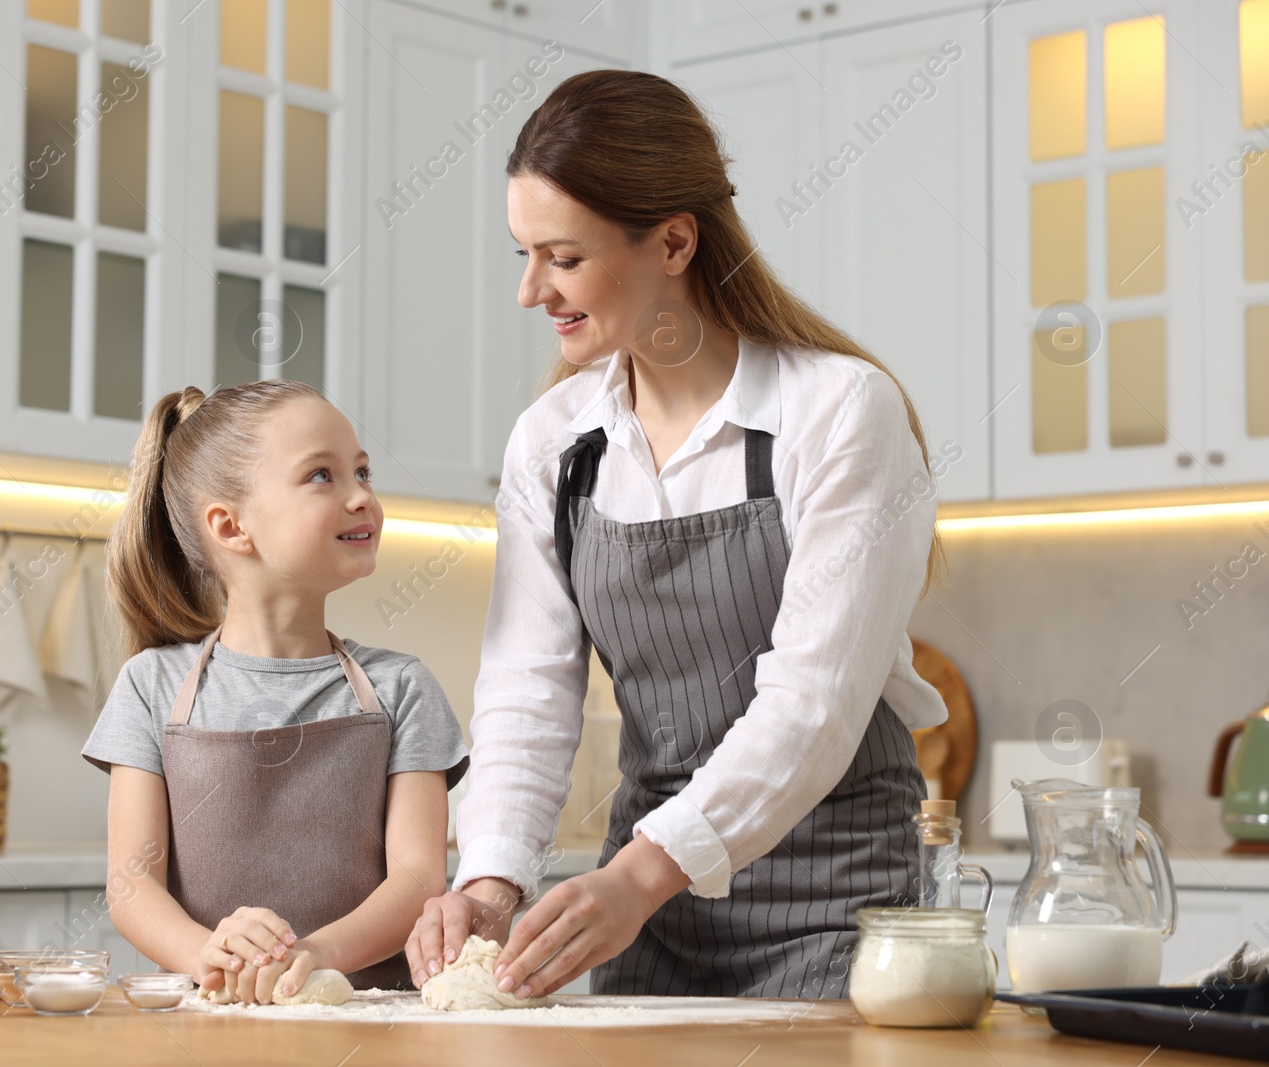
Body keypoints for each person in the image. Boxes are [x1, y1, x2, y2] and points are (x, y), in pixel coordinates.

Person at [405, 69, 951, 1001]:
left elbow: (813, 705)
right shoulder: (555, 444)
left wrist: (637, 875)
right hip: (650, 919)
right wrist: (490, 880)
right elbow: (528, 689)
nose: (532, 290)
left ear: (673, 242)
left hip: (835, 913)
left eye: (563, 258)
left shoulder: (838, 411)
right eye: (523, 254)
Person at [84, 381, 469, 1004]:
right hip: (206, 1017)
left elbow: (418, 879)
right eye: (323, 475)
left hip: (369, 1022)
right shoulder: (152, 686)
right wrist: (207, 956)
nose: (361, 496)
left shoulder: (403, 689)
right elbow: (131, 884)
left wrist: (313, 957)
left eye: (362, 472)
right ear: (231, 525)